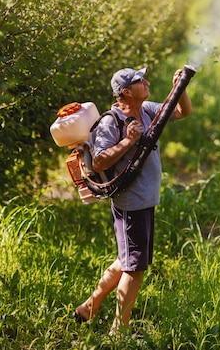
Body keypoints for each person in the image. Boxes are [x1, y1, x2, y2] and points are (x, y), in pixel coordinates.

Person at [73, 66, 192, 335]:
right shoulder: (110, 121)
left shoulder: (148, 109)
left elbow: (183, 112)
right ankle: (119, 330)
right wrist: (129, 141)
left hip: (146, 199)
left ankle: (88, 309)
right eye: (140, 80)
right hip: (131, 203)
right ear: (126, 92)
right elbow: (101, 158)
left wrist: (180, 87)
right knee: (134, 268)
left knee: (125, 260)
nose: (147, 81)